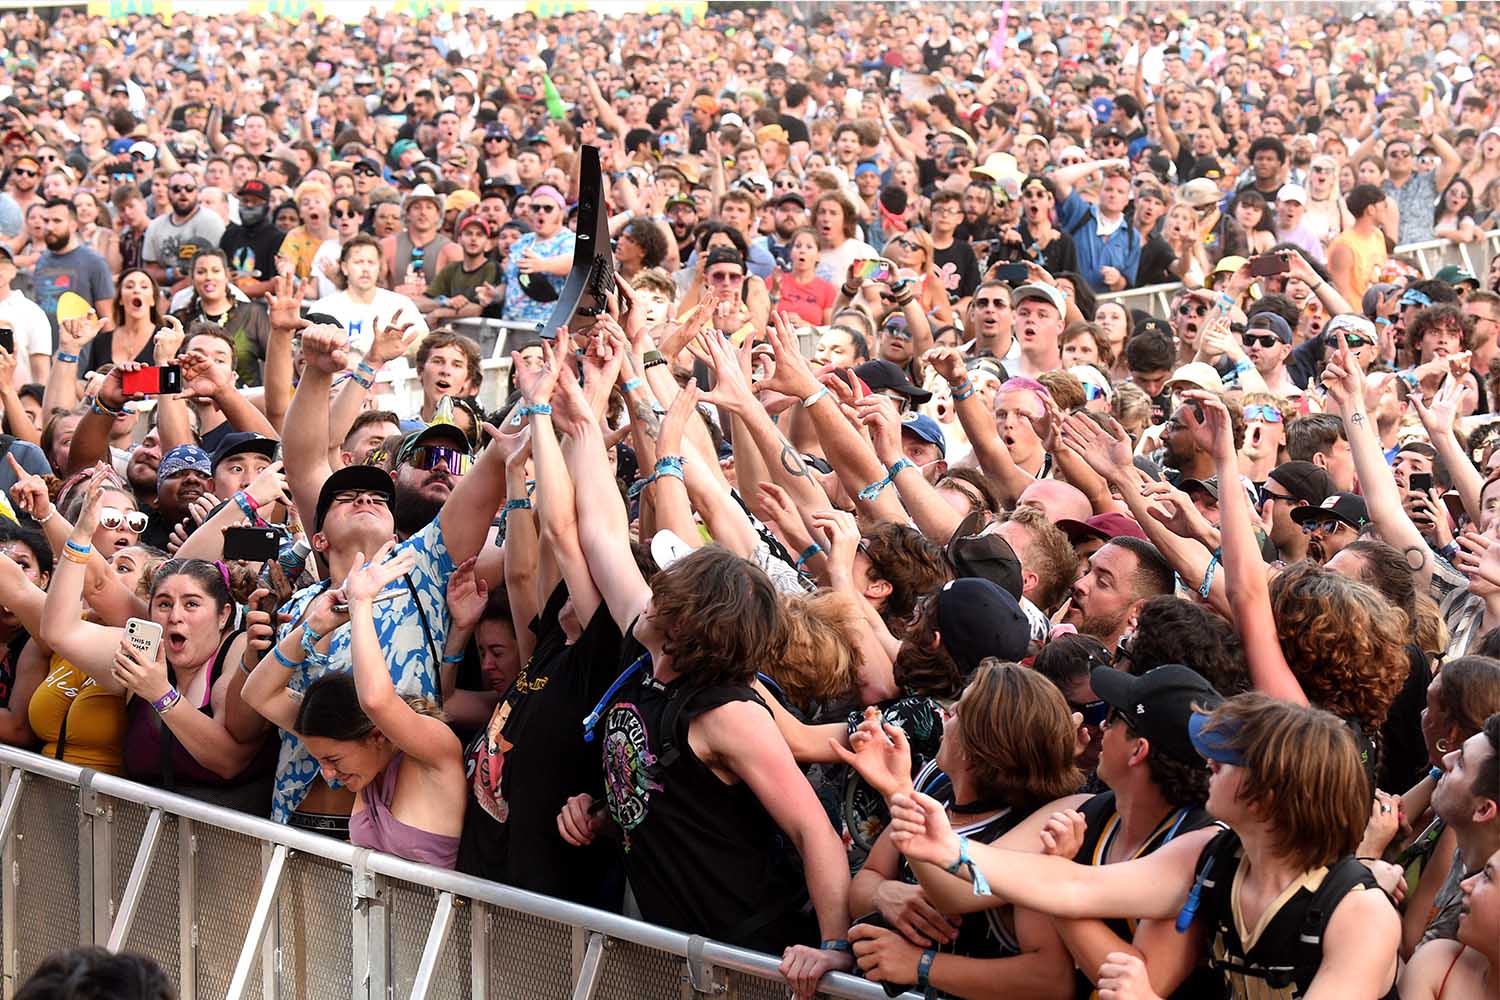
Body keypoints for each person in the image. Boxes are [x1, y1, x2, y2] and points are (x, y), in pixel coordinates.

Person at [883, 694, 1400, 998]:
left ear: (1267, 795)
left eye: (1227, 756)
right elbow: (1079, 886)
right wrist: (955, 850)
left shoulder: (1358, 914)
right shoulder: (1216, 853)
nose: (1208, 761)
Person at [242, 542, 464, 868]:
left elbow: (375, 700)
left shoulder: (432, 748)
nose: (327, 773)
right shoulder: (356, 751)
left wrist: (361, 606)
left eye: (332, 759)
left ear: (375, 734)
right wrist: (318, 624)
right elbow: (257, 694)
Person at [313, 234, 428, 365]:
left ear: (379, 267)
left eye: (371, 263)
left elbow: (424, 343)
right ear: (344, 268)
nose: (365, 269)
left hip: (393, 381)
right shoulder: (324, 308)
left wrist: (399, 349)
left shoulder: (401, 304)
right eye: (358, 262)